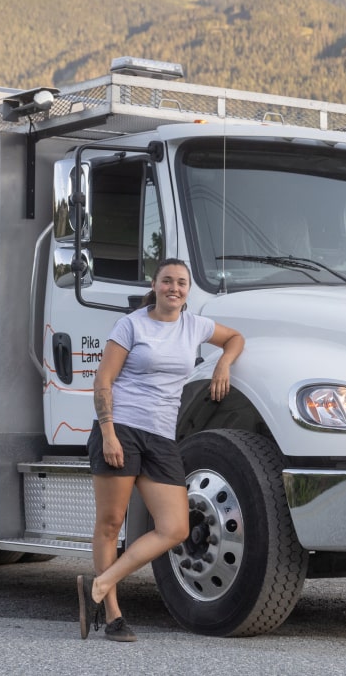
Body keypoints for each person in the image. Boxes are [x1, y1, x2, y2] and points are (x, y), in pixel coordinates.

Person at [76, 257, 245, 642]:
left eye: (182, 283)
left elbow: (235, 338)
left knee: (175, 527)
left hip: (161, 438)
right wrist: (108, 434)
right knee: (110, 524)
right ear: (155, 285)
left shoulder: (195, 326)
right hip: (121, 429)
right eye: (167, 281)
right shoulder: (132, 325)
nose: (175, 288)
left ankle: (99, 586)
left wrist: (223, 365)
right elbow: (104, 380)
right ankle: (113, 616)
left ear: (188, 290)